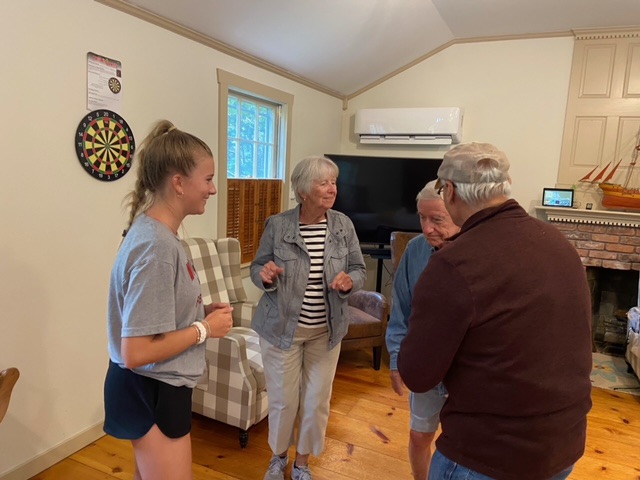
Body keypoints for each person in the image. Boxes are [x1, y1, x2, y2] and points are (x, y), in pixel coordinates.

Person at [398, 142, 592, 480]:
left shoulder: (454, 263)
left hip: (489, 454)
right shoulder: (559, 244)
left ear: (450, 191)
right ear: (506, 185)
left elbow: (416, 374)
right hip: (563, 442)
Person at [103, 120, 234, 480]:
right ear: (178, 183)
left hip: (157, 387)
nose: (213, 189)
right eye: (208, 179)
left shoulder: (158, 235)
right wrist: (204, 328)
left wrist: (197, 311)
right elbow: (137, 350)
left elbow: (153, 315)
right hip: (151, 391)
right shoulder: (157, 247)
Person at [250, 155, 366, 480]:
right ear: (303, 191)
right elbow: (257, 266)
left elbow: (358, 268)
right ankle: (278, 458)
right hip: (280, 330)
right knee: (284, 401)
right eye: (323, 182)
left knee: (316, 402)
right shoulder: (278, 225)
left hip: (325, 333)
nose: (332, 189)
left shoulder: (343, 225)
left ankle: (302, 463)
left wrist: (350, 281)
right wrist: (265, 275)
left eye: (334, 182)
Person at [385, 180, 460, 480]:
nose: (427, 228)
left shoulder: (477, 252)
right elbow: (400, 310)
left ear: (458, 211)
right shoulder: (415, 250)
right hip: (426, 367)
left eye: (437, 219)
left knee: (460, 446)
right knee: (419, 436)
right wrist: (396, 360)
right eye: (421, 217)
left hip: (466, 372)